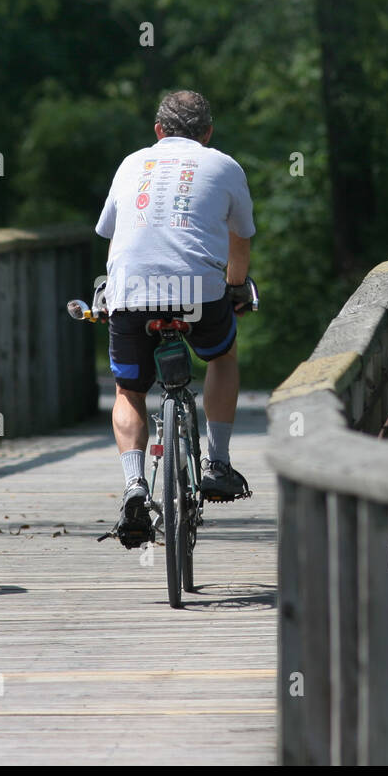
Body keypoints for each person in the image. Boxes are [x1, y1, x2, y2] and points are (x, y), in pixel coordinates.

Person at [95, 90, 256, 548]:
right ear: (207, 133)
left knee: (130, 389)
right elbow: (239, 240)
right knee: (222, 356)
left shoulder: (131, 164)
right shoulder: (225, 166)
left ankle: (134, 485)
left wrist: (113, 286)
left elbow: (115, 234)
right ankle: (218, 463)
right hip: (198, 294)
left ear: (158, 131)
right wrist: (237, 286)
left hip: (131, 292)